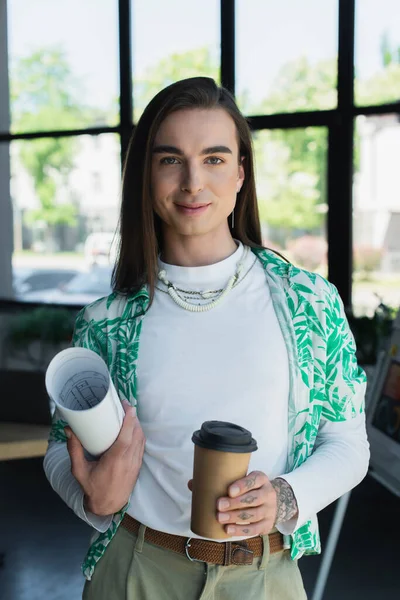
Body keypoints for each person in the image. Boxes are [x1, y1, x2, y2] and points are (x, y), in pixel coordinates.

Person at [44, 77, 370, 600]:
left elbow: (348, 442)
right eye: (170, 159)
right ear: (146, 175)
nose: (193, 181)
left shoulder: (308, 303)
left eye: (215, 159)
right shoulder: (107, 322)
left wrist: (287, 497)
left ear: (241, 172)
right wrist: (91, 500)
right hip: (135, 571)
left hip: (265, 576)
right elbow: (61, 450)